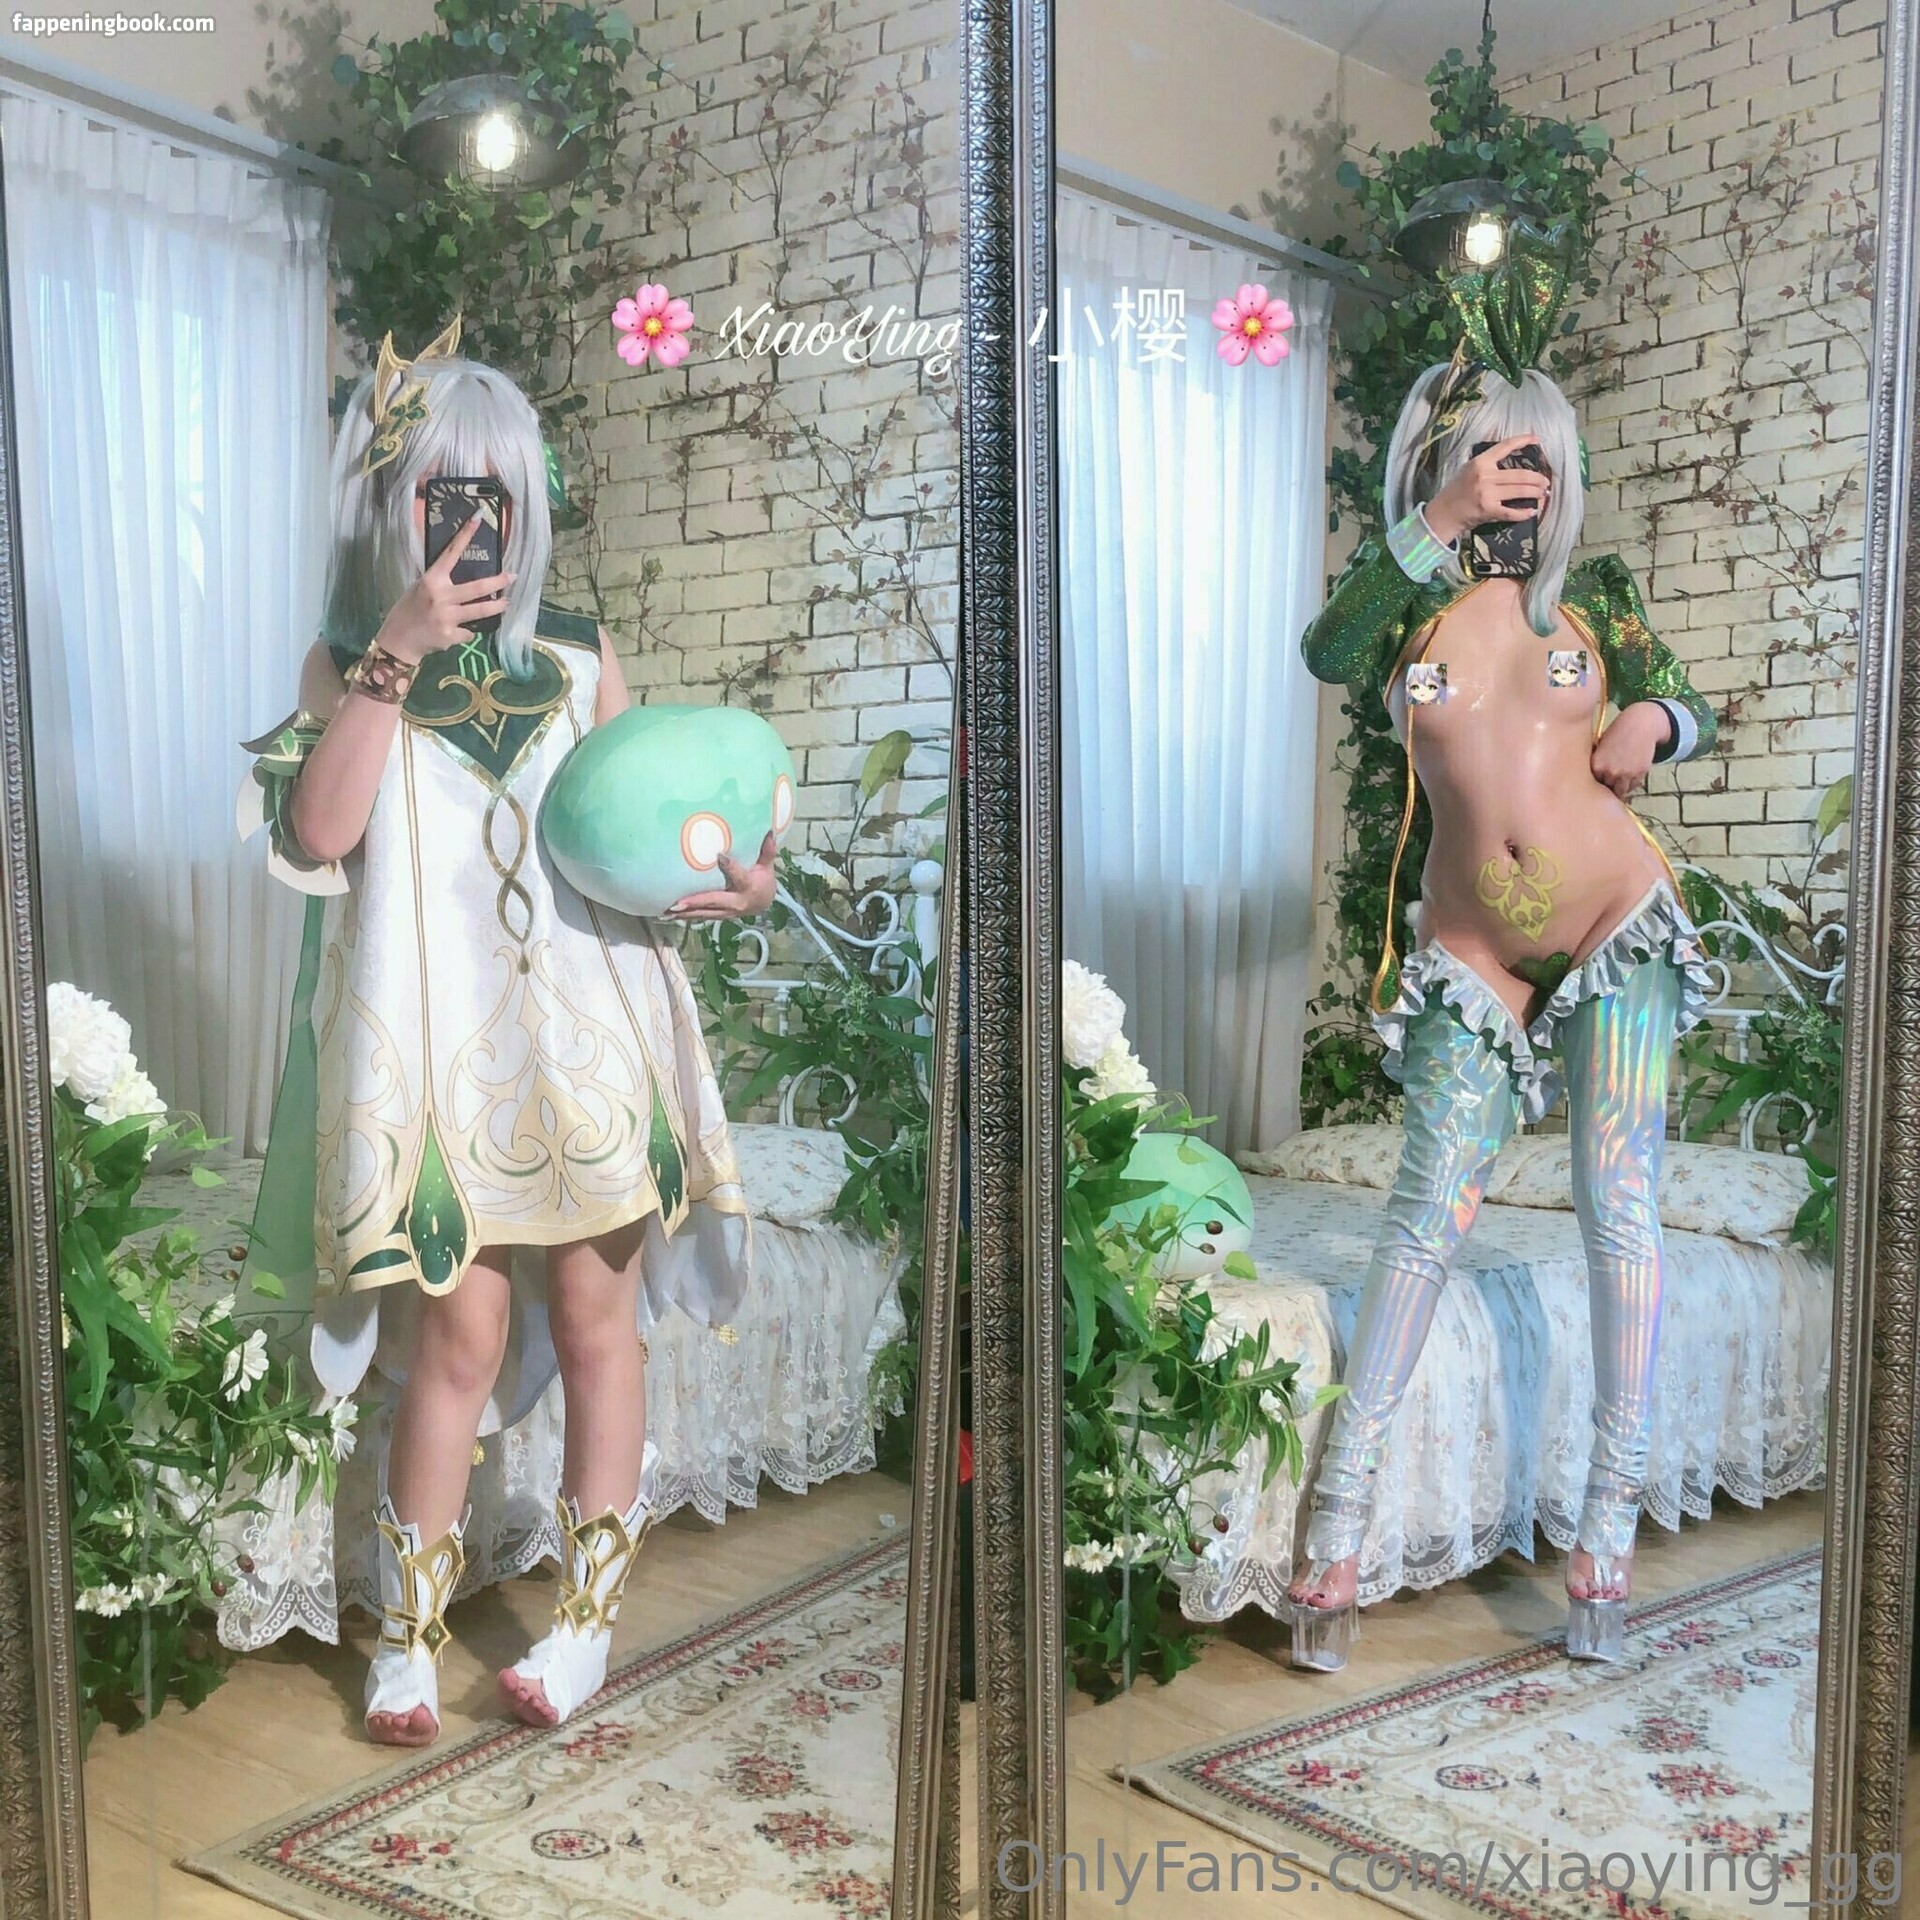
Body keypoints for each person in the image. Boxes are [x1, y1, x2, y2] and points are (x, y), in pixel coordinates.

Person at [240, 322, 775, 1744]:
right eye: (441, 490)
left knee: (601, 1326)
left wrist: (733, 879)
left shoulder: (583, 655)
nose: (472, 520)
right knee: (457, 1341)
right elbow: (323, 833)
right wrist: (395, 653)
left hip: (590, 1033)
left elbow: (640, 840)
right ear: (392, 500)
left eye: (496, 492)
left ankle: (583, 1631)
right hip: (441, 1056)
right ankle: (406, 1642)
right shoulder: (347, 660)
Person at [1284, 354, 1716, 1669]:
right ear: (1447, 457)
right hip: (1471, 943)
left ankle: (1605, 1530)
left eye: (1538, 455)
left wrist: (1655, 719)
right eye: (1494, 453)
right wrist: (1443, 517)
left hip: (1615, 918)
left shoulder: (1595, 597)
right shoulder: (1402, 608)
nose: (1521, 478)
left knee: (1615, 1197)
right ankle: (1339, 1523)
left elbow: (1691, 703)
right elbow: (1324, 651)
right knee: (1427, 1208)